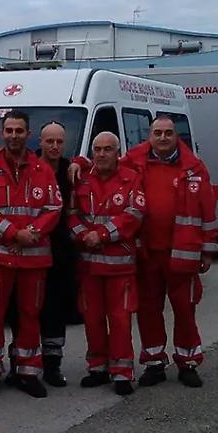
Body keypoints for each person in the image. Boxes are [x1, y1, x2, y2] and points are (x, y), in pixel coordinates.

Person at [0, 109, 62, 398]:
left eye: (19, 131)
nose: (13, 136)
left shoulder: (42, 169)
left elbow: (54, 208)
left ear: (28, 134)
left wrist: (28, 235)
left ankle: (27, 370)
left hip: (33, 257)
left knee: (30, 314)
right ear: (2, 133)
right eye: (8, 130)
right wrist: (13, 233)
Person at [122, 115, 218, 388]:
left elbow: (207, 212)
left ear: (176, 136)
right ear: (149, 136)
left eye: (168, 133)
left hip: (183, 255)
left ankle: (187, 363)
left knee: (185, 311)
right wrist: (80, 163)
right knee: (149, 310)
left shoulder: (194, 168)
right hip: (147, 253)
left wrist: (208, 249)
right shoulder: (133, 162)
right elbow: (103, 166)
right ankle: (154, 363)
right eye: (157, 133)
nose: (163, 138)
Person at [68, 132, 145, 396]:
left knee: (120, 320)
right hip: (89, 268)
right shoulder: (81, 179)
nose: (101, 154)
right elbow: (71, 214)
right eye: (97, 149)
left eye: (107, 149)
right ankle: (97, 367)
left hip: (120, 268)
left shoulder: (131, 179)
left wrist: (100, 234)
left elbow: (134, 215)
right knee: (92, 319)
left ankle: (122, 371)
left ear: (118, 152)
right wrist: (81, 235)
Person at [35, 120, 80, 387]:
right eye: (49, 141)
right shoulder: (29, 168)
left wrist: (80, 163)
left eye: (59, 141)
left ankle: (52, 364)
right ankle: (24, 362)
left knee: (55, 311)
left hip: (62, 252)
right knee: (27, 311)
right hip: (32, 247)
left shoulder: (69, 170)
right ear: (39, 142)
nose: (54, 146)